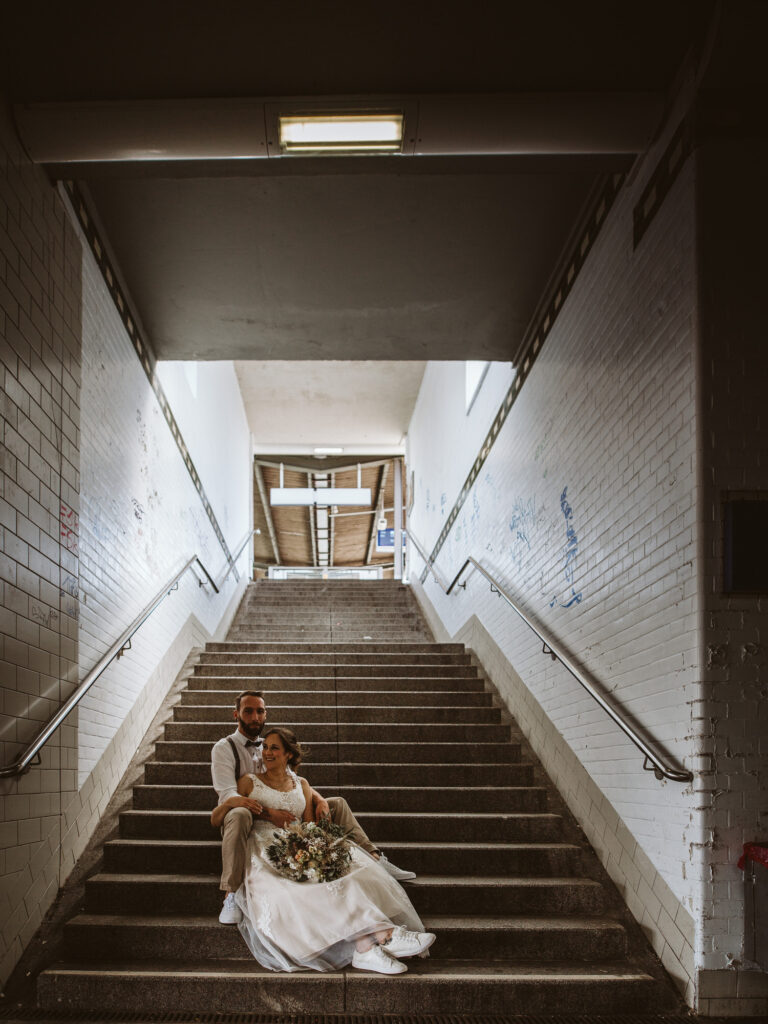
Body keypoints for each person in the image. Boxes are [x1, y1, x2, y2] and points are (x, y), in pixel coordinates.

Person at [211, 727, 435, 974]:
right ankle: (385, 935)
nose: (267, 752)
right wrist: (232, 802)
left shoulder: (302, 784)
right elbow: (216, 818)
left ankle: (367, 947)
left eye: (274, 748)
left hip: (298, 844)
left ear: (288, 755)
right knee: (300, 892)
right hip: (265, 851)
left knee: (349, 876)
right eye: (265, 747)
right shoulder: (248, 782)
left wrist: (315, 850)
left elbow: (307, 826)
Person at [210, 690, 415, 925]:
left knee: (337, 803)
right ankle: (231, 892)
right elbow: (229, 795)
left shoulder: (269, 741)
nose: (255, 716)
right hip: (243, 817)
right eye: (248, 711)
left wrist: (318, 799)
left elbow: (291, 780)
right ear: (236, 714)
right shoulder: (224, 748)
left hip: (280, 809)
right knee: (239, 812)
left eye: (260, 711)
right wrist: (270, 814)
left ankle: (375, 857)